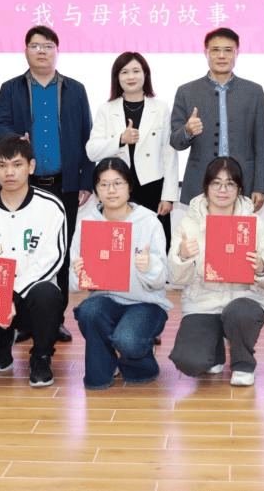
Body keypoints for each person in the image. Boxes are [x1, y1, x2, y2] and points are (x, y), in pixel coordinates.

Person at [0, 24, 93, 335]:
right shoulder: (11, 88)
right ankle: (23, 320)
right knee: (23, 251)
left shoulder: (75, 89)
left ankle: (55, 320)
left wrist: (86, 181)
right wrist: (14, 138)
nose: (41, 51)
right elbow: (0, 124)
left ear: (57, 51)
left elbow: (87, 136)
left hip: (64, 184)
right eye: (35, 46)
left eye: (48, 46)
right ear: (25, 51)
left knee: (59, 252)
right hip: (26, 186)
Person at [0, 136, 67, 387]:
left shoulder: (51, 207)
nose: (9, 172)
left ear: (31, 166)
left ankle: (41, 356)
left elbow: (54, 259)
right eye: (2, 165)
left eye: (17, 165)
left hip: (33, 298)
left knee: (48, 295)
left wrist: (14, 296)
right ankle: (2, 344)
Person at [168, 156, 264, 384]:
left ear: (239, 188)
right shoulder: (188, 224)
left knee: (238, 313)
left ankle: (243, 364)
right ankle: (215, 351)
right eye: (216, 183)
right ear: (206, 186)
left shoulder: (254, 223)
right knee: (188, 361)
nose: (223, 190)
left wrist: (262, 267)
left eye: (230, 184)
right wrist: (182, 256)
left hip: (245, 300)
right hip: (203, 302)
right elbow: (175, 279)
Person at [70, 156, 170, 390]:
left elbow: (160, 280)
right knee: (89, 312)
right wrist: (78, 273)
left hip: (145, 302)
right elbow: (75, 284)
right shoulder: (87, 224)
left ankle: (142, 361)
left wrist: (148, 267)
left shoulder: (149, 221)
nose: (111, 190)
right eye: (104, 184)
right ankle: (107, 363)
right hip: (104, 300)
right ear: (96, 190)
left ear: (129, 187)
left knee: (128, 341)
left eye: (118, 183)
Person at [85, 51, 179, 245]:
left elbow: (169, 154)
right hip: (118, 187)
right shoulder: (106, 109)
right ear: (117, 77)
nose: (131, 77)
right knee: (118, 244)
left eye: (136, 71)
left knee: (153, 245)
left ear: (145, 75)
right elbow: (92, 150)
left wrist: (168, 197)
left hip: (152, 187)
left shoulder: (160, 107)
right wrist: (121, 139)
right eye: (125, 72)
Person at [170, 28, 264, 208]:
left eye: (228, 50)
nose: (222, 56)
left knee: (238, 227)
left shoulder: (253, 91)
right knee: (201, 228)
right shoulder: (186, 91)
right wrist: (187, 131)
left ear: (237, 53)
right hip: (200, 182)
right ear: (206, 53)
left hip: (242, 181)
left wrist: (260, 186)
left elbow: (261, 144)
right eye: (215, 50)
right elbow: (175, 142)